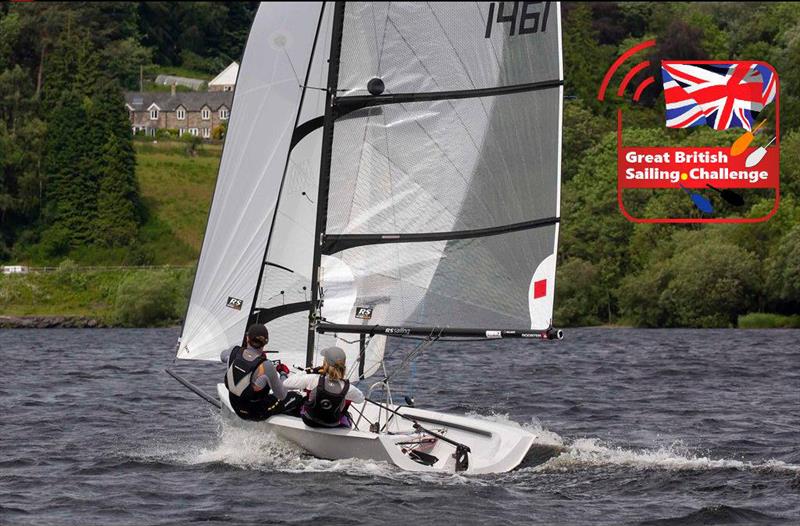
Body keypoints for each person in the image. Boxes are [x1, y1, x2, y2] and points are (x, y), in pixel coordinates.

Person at [220, 323, 292, 421]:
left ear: (247, 338)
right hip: (255, 413)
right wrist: (283, 373)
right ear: (265, 342)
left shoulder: (234, 351)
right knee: (294, 397)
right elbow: (282, 395)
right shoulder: (266, 365)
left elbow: (222, 356)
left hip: (235, 405)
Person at [282, 346, 364, 428]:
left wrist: (308, 371)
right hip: (333, 424)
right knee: (347, 415)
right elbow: (361, 399)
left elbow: (286, 383)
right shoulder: (348, 388)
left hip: (310, 421)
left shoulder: (313, 379)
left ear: (325, 364)